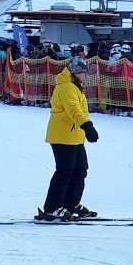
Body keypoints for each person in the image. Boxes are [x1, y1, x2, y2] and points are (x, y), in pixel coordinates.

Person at [38, 58, 97, 220]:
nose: (86, 76)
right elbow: (73, 109)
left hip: (75, 136)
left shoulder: (76, 87)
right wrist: (87, 126)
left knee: (80, 170)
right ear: (76, 73)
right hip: (62, 135)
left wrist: (84, 127)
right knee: (65, 171)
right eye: (84, 73)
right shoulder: (66, 87)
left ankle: (71, 203)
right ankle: (52, 207)